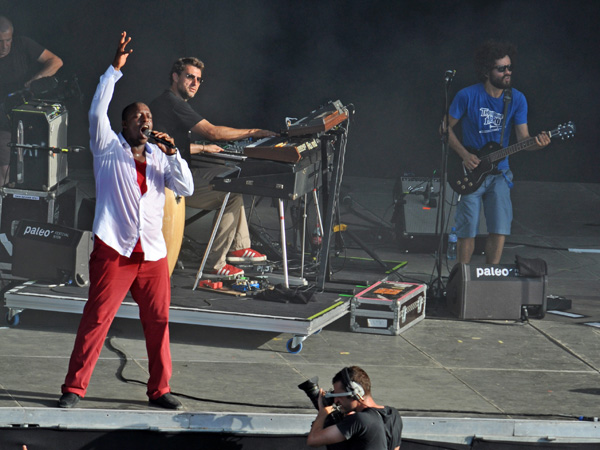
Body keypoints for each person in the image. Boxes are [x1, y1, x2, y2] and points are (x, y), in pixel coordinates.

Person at [58, 32, 194, 410]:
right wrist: (113, 72)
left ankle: (160, 390)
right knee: (97, 319)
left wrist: (175, 153)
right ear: (124, 124)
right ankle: (74, 388)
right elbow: (95, 112)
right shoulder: (107, 148)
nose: (145, 120)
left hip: (151, 255)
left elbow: (186, 186)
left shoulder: (159, 157)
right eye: (137, 117)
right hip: (114, 250)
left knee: (159, 324)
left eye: (148, 116)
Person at [150, 57, 276, 278]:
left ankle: (239, 247)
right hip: (169, 184)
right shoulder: (174, 102)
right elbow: (213, 131)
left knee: (233, 177)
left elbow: (168, 144)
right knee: (232, 189)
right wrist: (253, 132)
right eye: (190, 77)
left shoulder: (167, 102)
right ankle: (216, 263)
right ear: (175, 77)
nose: (195, 83)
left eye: (198, 79)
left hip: (178, 174)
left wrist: (203, 148)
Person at [446, 39, 550, 264]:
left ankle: (490, 279)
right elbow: (444, 128)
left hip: (500, 172)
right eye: (501, 68)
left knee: (499, 228)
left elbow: (524, 140)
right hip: (471, 171)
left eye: (510, 67)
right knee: (467, 231)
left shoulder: (517, 99)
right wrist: (465, 155)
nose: (507, 72)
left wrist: (538, 143)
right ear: (486, 70)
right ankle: (461, 280)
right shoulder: (467, 95)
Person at [0, 16, 63, 186]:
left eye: (8, 40)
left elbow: (56, 61)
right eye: (0, 41)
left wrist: (35, 81)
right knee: (4, 169)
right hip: (2, 119)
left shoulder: (23, 44)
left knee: (14, 169)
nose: (4, 46)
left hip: (21, 118)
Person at [307, 366, 403, 450]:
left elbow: (313, 440)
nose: (335, 401)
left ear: (356, 394)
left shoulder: (359, 420)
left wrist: (323, 413)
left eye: (339, 396)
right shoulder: (393, 415)